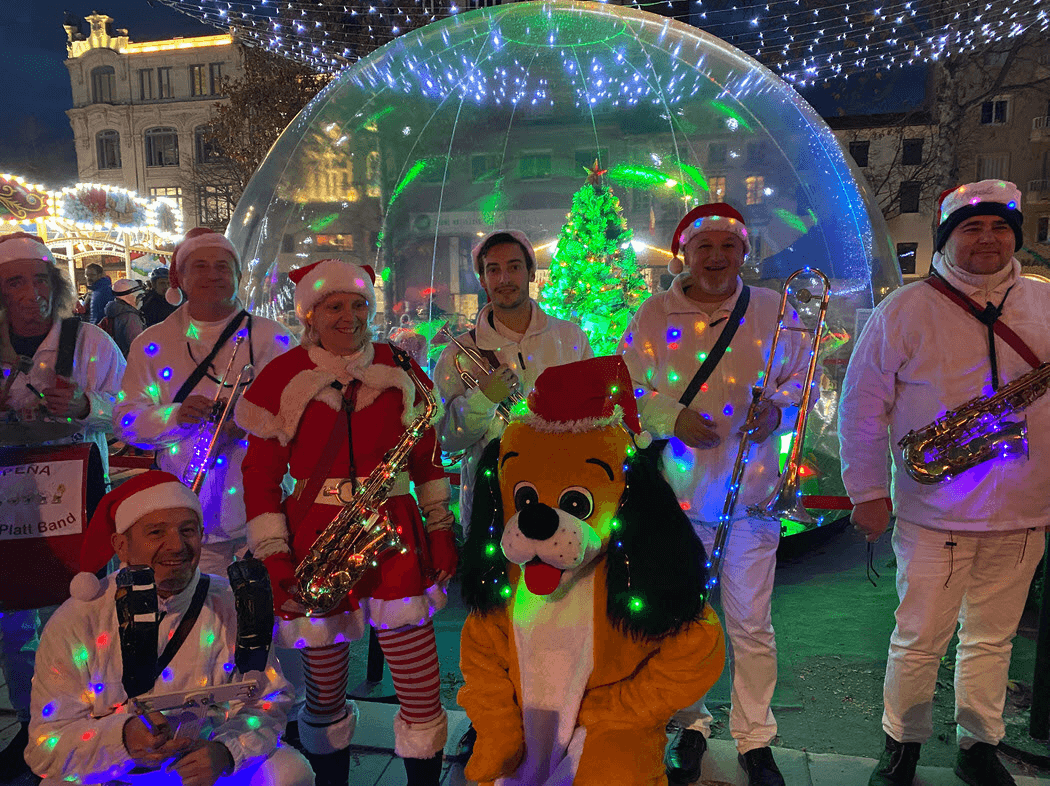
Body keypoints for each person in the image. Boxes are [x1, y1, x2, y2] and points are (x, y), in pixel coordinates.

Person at [839, 179, 1049, 786]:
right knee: (918, 640)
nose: (988, 239)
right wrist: (866, 492)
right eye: (971, 228)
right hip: (936, 514)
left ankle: (977, 746)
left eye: (999, 227)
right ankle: (900, 746)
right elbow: (861, 407)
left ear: (1015, 234)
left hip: (1024, 512)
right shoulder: (905, 309)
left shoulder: (1044, 301)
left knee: (993, 640)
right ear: (947, 238)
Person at [235, 258, 458, 786]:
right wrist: (273, 552)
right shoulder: (284, 376)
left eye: (358, 305)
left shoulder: (399, 366)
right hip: (317, 536)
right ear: (310, 314)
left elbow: (427, 458)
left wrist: (442, 528)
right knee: (326, 682)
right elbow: (260, 475)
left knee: (419, 679)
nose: (349, 316)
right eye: (334, 306)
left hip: (395, 532)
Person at [619, 204, 813, 786]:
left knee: (751, 625)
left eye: (728, 246)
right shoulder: (652, 314)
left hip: (751, 497)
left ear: (743, 253)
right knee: (683, 619)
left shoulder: (775, 311)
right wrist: (670, 416)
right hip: (675, 500)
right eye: (704, 246)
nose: (716, 257)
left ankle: (756, 738)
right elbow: (627, 386)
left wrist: (776, 412)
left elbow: (802, 381)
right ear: (684, 253)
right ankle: (691, 724)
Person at [26, 470, 314, 785]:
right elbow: (44, 748)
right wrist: (122, 739)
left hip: (202, 768)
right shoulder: (79, 620)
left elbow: (268, 701)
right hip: (110, 772)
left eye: (187, 530)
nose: (176, 545)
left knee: (289, 773)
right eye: (156, 532)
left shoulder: (232, 602)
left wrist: (227, 751)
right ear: (121, 545)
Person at [0, 232, 126, 780]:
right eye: (16, 282)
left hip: (79, 501)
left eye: (41, 279)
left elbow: (131, 412)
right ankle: (35, 730)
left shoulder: (91, 340)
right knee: (14, 618)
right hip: (11, 509)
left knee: (85, 612)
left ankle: (93, 724)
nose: (32, 293)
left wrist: (85, 404)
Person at [115, 228, 295, 576]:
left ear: (239, 276)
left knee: (266, 615)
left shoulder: (273, 337)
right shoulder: (152, 342)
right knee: (202, 616)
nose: (212, 274)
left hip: (265, 509)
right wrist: (176, 417)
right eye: (199, 266)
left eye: (223, 266)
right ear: (180, 277)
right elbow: (125, 420)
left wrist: (247, 424)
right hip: (186, 518)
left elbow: (302, 413)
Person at [433, 229, 593, 535]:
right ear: (482, 279)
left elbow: (594, 414)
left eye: (515, 267)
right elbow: (447, 439)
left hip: (564, 495)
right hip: (491, 505)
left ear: (532, 272)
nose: (504, 278)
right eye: (493, 269)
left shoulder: (571, 338)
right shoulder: (457, 353)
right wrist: (483, 399)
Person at [105, 277, 147, 356]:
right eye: (139, 296)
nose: (141, 300)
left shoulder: (116, 312)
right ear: (130, 297)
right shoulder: (130, 317)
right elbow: (139, 345)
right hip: (131, 362)